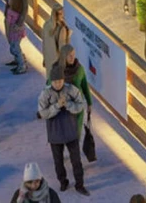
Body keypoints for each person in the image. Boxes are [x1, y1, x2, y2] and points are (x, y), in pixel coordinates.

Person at [38, 63, 87, 194]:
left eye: (60, 81)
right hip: (55, 133)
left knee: (76, 161)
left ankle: (80, 184)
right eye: (55, 81)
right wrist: (57, 106)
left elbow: (80, 105)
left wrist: (69, 105)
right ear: (51, 81)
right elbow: (43, 113)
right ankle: (63, 181)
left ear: (63, 80)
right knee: (58, 162)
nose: (58, 84)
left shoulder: (71, 90)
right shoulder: (45, 93)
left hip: (71, 131)